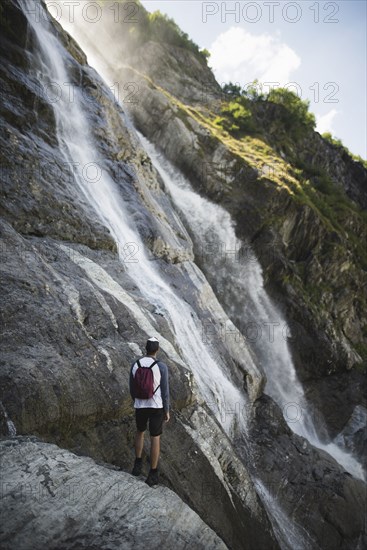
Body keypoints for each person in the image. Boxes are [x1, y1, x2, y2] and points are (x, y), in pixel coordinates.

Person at [129, 337, 170, 486]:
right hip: (156, 406)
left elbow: (132, 387)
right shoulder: (161, 366)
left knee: (140, 432)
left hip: (140, 405)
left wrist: (137, 401)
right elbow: (165, 391)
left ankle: (137, 464)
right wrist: (167, 410)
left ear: (145, 348)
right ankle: (152, 473)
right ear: (157, 349)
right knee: (155, 438)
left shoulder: (136, 364)